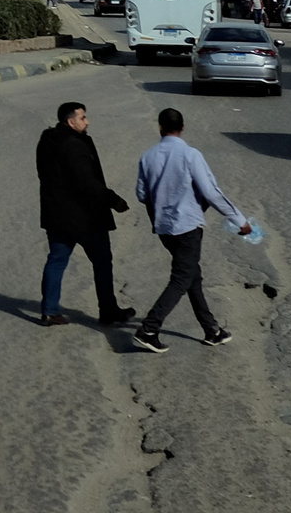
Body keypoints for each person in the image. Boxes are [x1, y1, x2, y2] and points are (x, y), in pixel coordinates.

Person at [129, 107, 249, 353]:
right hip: (187, 227)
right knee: (182, 278)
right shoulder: (190, 154)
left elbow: (142, 194)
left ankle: (212, 330)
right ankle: (148, 329)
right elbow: (211, 192)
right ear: (182, 128)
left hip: (164, 228)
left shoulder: (148, 156)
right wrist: (240, 220)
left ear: (160, 127)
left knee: (192, 275)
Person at [36, 101, 134, 328]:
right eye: (83, 118)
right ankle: (108, 310)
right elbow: (87, 183)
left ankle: (49, 311)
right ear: (71, 121)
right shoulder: (74, 145)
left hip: (56, 215)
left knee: (56, 261)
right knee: (102, 262)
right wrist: (114, 200)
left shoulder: (48, 140)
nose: (87, 122)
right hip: (84, 218)